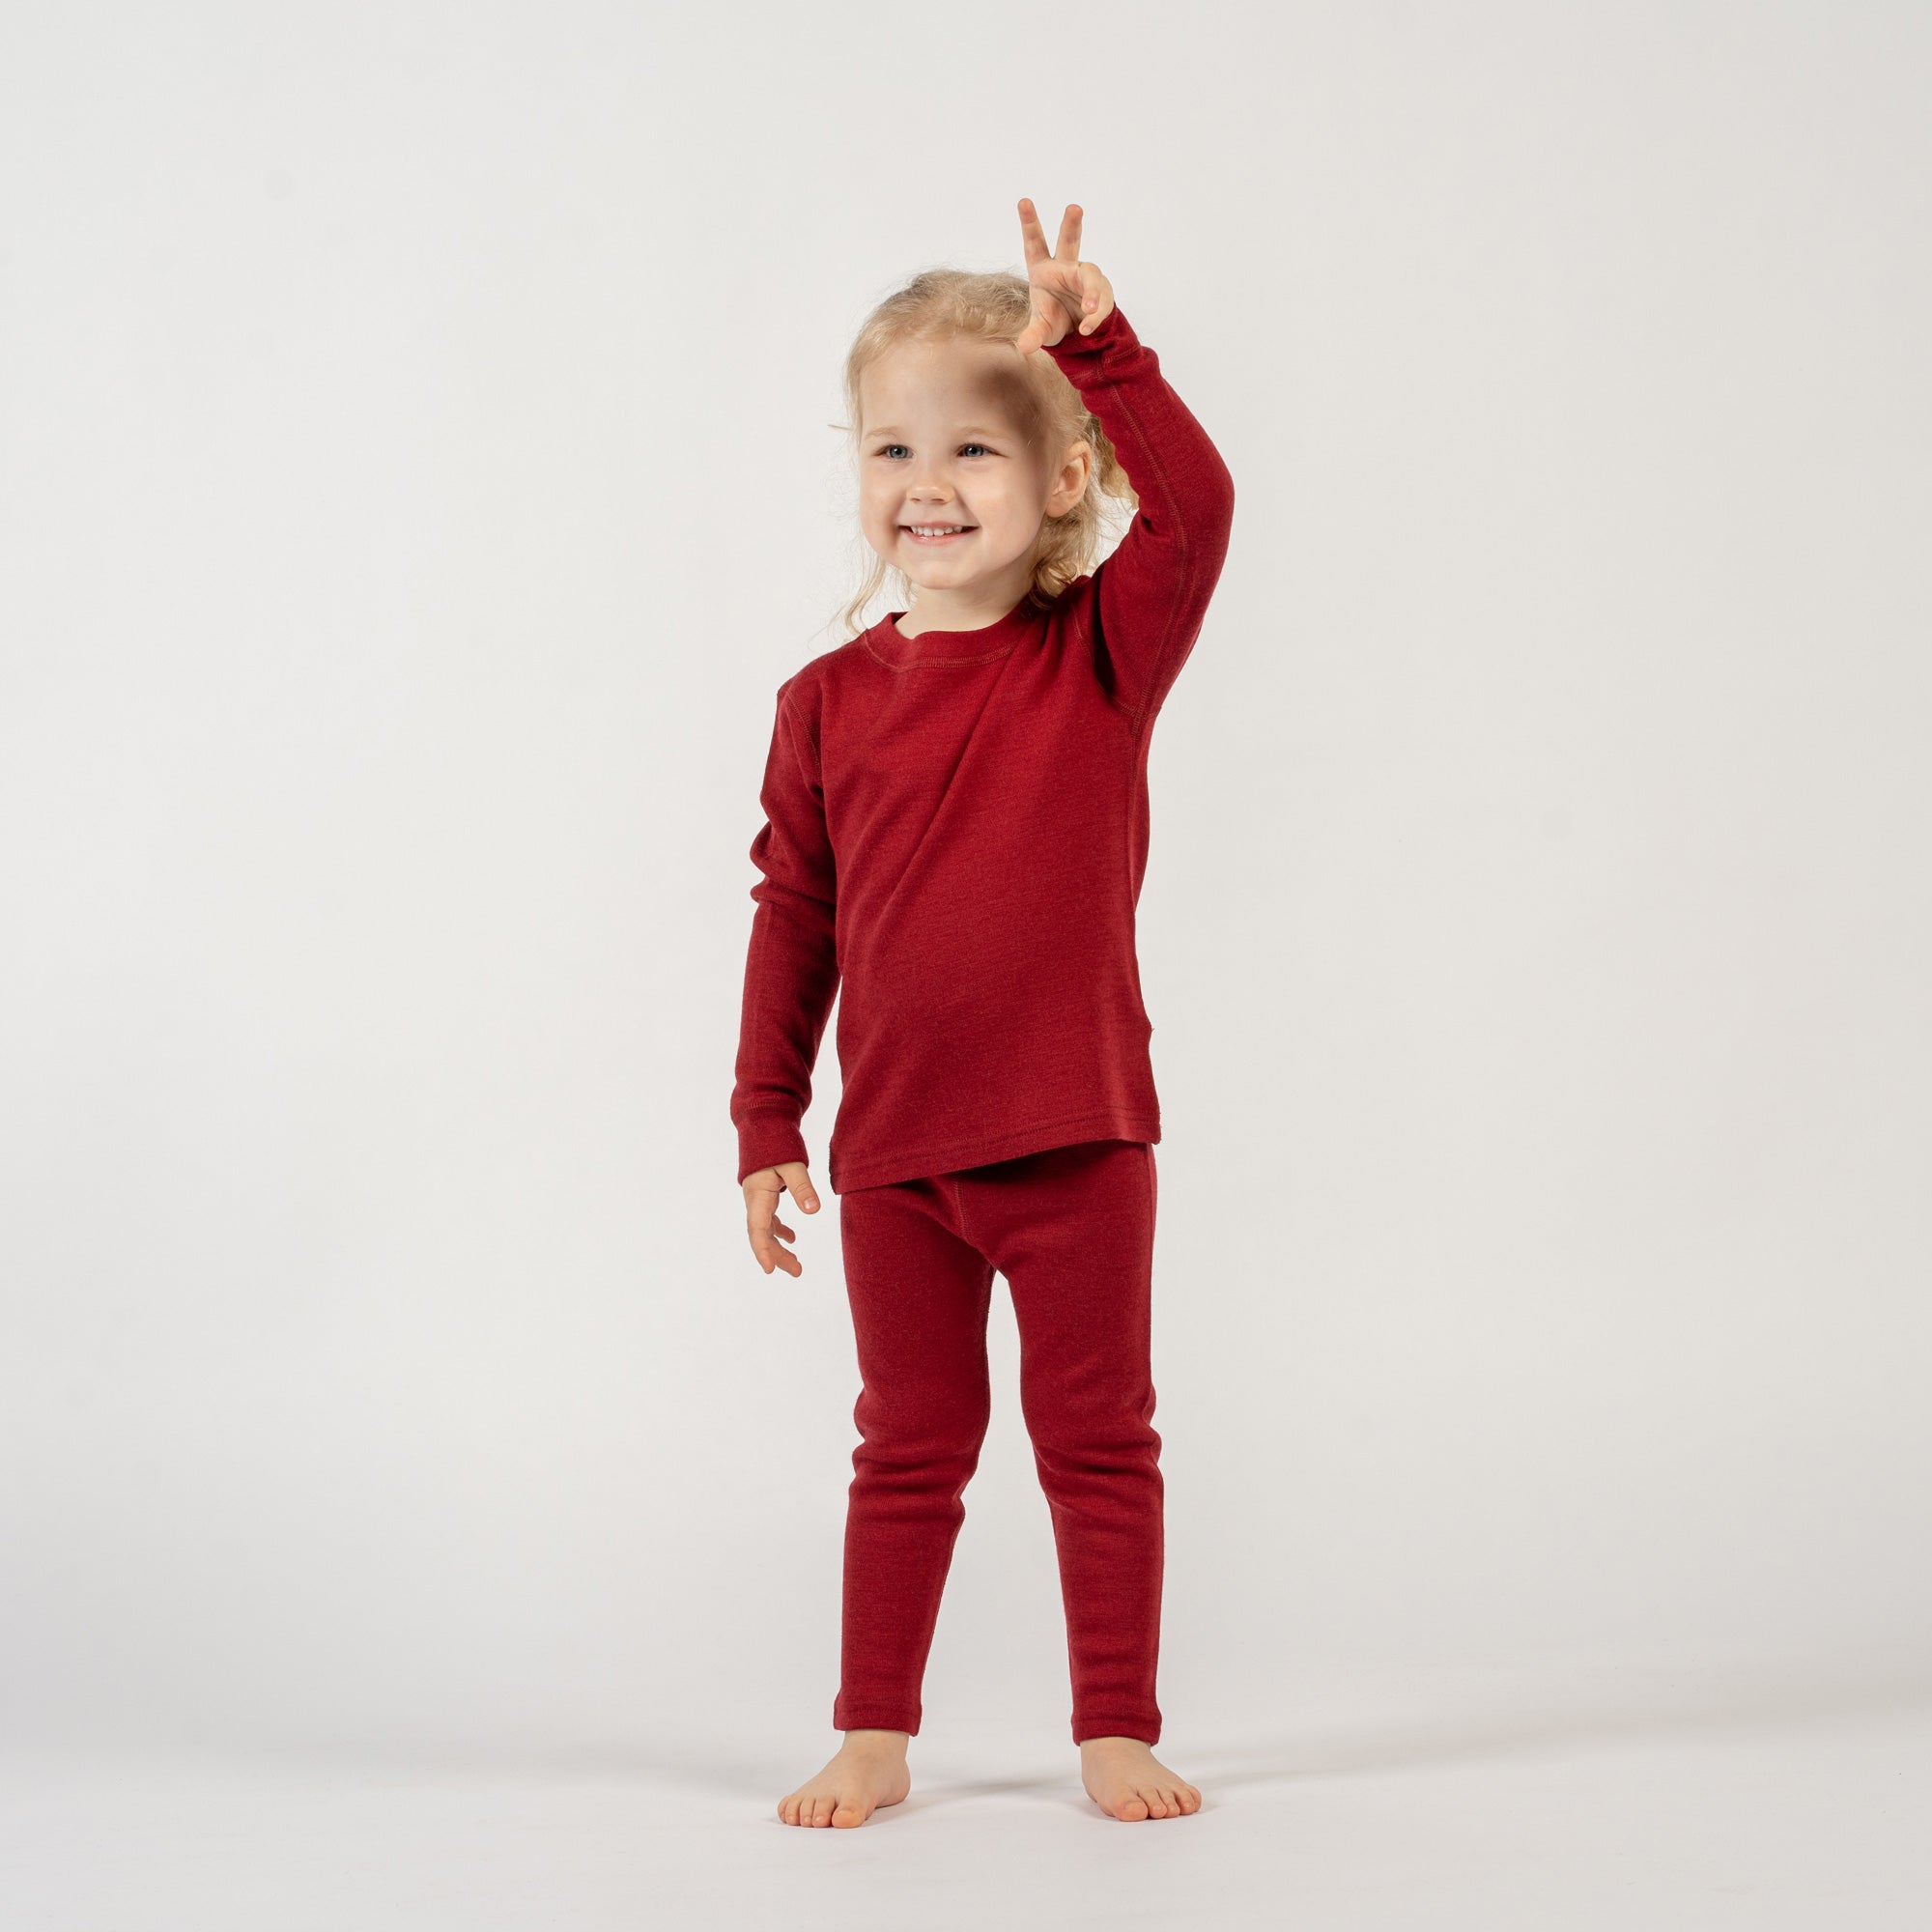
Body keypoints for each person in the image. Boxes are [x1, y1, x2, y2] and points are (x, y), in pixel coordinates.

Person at [730, 199, 1236, 1827]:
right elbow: (793, 919)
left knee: (1098, 1445)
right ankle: (875, 1731)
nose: (927, 486)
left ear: (1065, 480)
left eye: (974, 451)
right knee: (908, 1449)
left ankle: (1114, 1731)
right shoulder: (820, 707)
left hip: (1079, 1136)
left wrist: (1098, 350)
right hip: (893, 1159)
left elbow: (1203, 513)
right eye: (891, 450)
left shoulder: (1098, 655)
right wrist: (764, 1121)